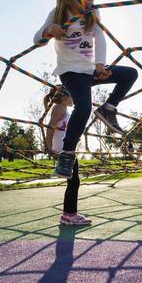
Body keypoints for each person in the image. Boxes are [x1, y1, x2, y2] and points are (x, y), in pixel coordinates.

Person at [34, 0, 138, 179]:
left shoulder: (93, 12)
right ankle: (67, 154)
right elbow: (37, 39)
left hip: (90, 70)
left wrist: (100, 65)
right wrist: (49, 30)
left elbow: (100, 39)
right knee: (83, 107)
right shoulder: (57, 14)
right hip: (71, 73)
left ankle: (108, 108)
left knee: (130, 74)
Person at [44, 86, 91, 226]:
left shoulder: (63, 108)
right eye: (72, 96)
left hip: (67, 150)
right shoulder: (59, 108)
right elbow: (50, 127)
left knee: (73, 182)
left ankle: (68, 215)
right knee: (74, 182)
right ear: (64, 97)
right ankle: (69, 215)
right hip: (63, 151)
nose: (74, 99)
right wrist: (48, 147)